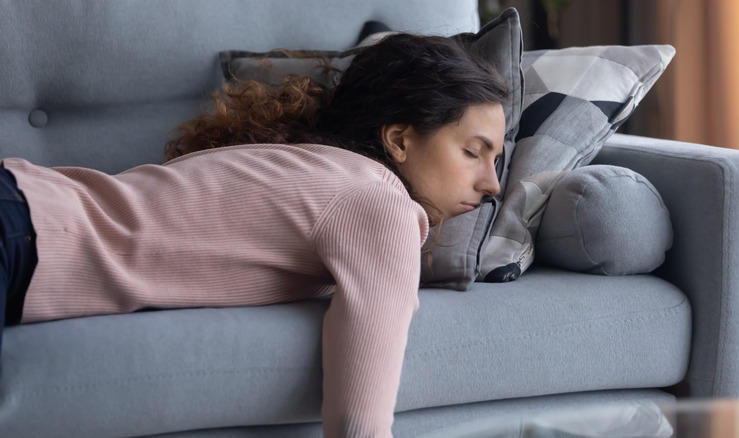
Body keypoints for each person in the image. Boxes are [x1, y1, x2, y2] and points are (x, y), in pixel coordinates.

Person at [0, 33, 508, 437]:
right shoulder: (379, 205)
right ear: (399, 139)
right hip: (20, 231)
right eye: (473, 152)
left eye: (496, 159)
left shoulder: (316, 166)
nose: (493, 185)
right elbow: (359, 425)